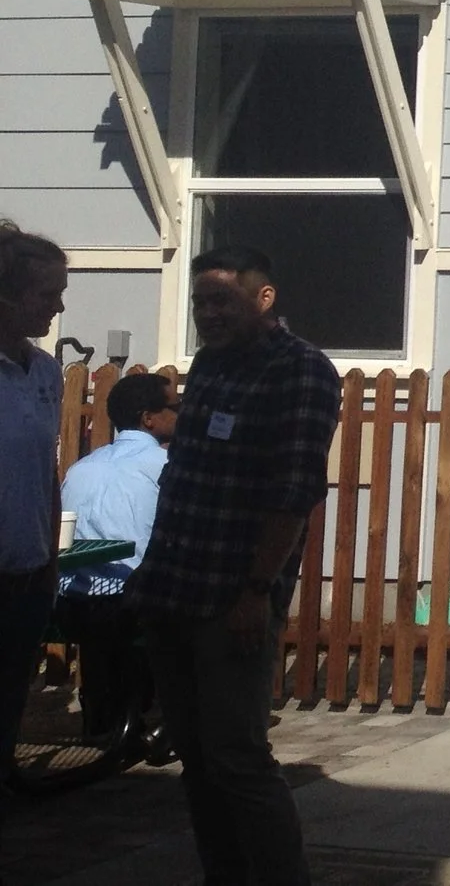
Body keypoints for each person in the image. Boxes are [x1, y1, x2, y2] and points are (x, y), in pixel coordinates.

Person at [130, 248, 341, 886]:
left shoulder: (301, 370)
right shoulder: (211, 367)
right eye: (201, 302)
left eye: (224, 299)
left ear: (265, 298)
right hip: (174, 587)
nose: (209, 313)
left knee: (237, 756)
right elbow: (188, 477)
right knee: (193, 755)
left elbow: (294, 491)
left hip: (232, 600)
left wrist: (256, 592)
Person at [0, 223, 69, 821]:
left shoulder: (46, 373)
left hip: (23, 582)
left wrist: (48, 561)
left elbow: (46, 470)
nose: (59, 305)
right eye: (46, 292)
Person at [62, 369, 180, 571]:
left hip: (70, 592)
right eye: (176, 407)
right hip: (135, 592)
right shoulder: (167, 466)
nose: (183, 413)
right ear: (148, 418)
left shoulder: (79, 469)